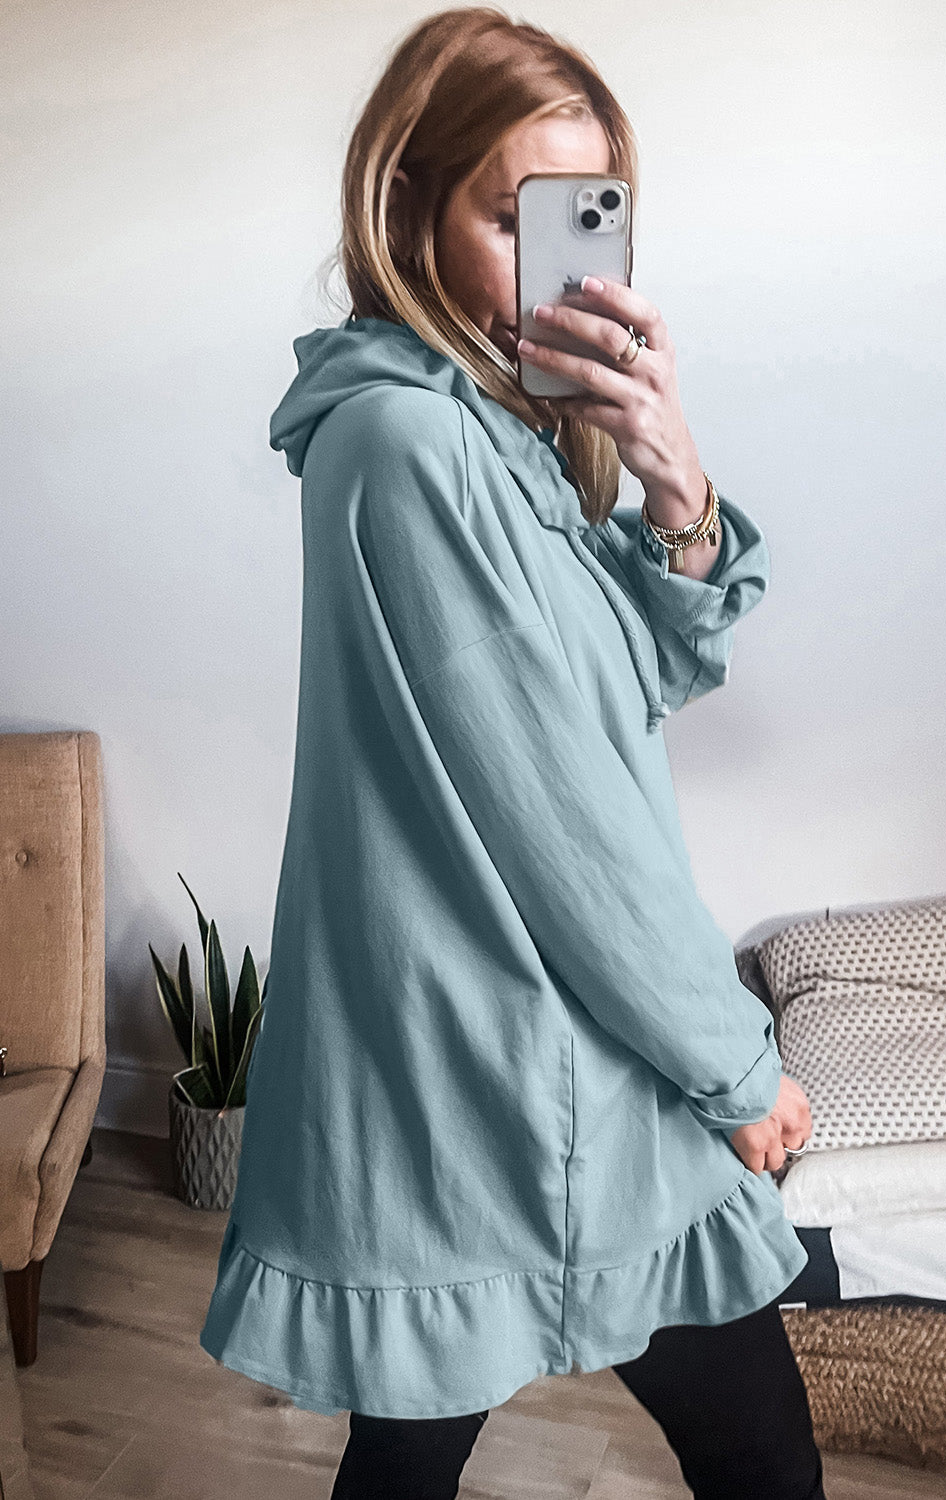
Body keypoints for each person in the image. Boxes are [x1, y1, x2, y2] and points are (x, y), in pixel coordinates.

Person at [199, 8, 827, 1498]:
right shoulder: (409, 447)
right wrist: (734, 1064)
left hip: (556, 1048)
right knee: (748, 1457)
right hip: (510, 1059)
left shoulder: (502, 431)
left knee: (470, 1448)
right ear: (407, 204)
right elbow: (568, 825)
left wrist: (674, 482)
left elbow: (641, 685)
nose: (566, 264)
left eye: (585, 213)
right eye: (512, 216)